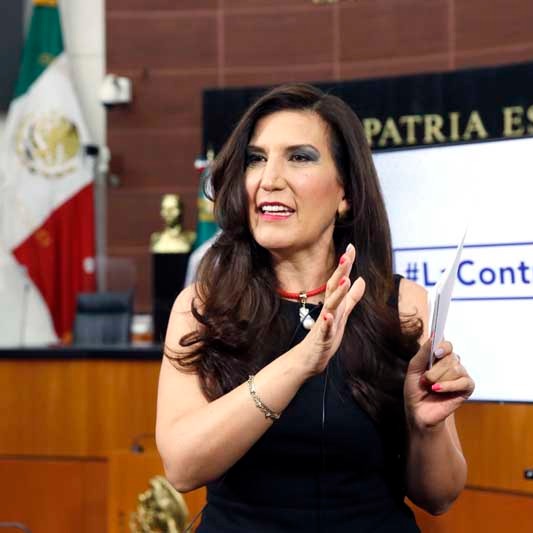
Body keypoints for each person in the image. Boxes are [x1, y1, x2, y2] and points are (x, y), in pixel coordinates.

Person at [155, 83, 475, 532]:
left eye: (299, 157)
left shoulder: (403, 304)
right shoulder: (201, 306)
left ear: (346, 193)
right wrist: (302, 361)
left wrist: (426, 426)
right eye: (256, 159)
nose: (269, 179)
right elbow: (182, 466)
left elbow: (439, 496)